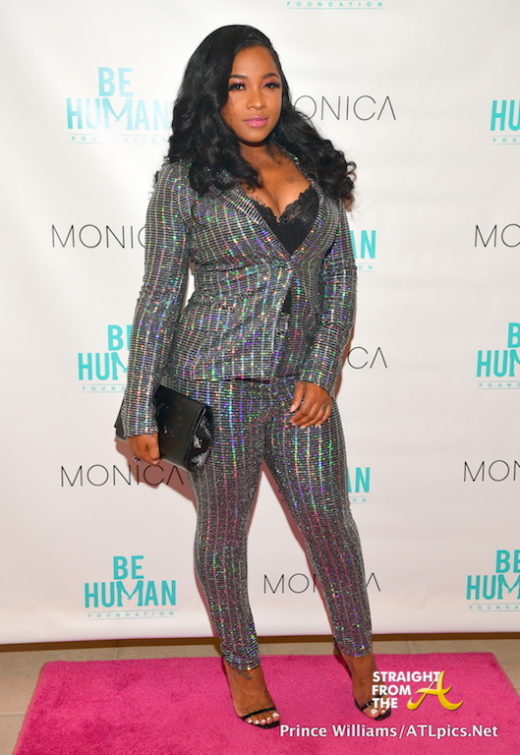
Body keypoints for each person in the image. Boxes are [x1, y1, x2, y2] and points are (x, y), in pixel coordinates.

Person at [121, 24, 390, 729]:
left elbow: (340, 280)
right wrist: (140, 406)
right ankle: (242, 667)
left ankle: (361, 656)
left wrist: (322, 372)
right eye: (238, 86)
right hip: (211, 385)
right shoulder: (184, 181)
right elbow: (159, 295)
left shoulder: (311, 166)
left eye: (269, 83)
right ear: (212, 94)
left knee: (330, 523)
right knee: (222, 533)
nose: (256, 100)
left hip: (300, 392)